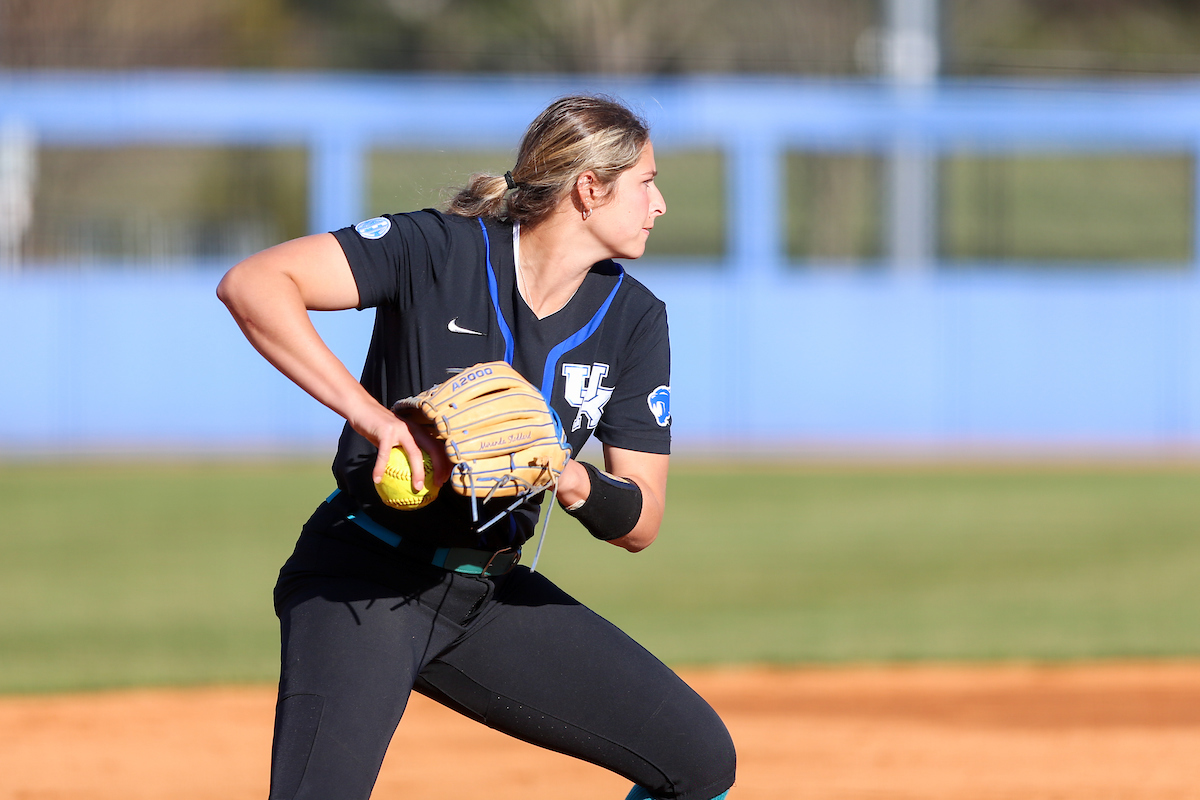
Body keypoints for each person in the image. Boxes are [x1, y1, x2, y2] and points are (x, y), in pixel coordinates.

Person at [217, 94, 736, 800]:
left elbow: (641, 522)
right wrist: (377, 421)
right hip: (362, 580)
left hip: (486, 596)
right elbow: (254, 284)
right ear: (590, 188)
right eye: (646, 181)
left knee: (699, 763)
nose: (660, 202)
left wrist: (568, 477)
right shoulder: (440, 249)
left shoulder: (635, 319)